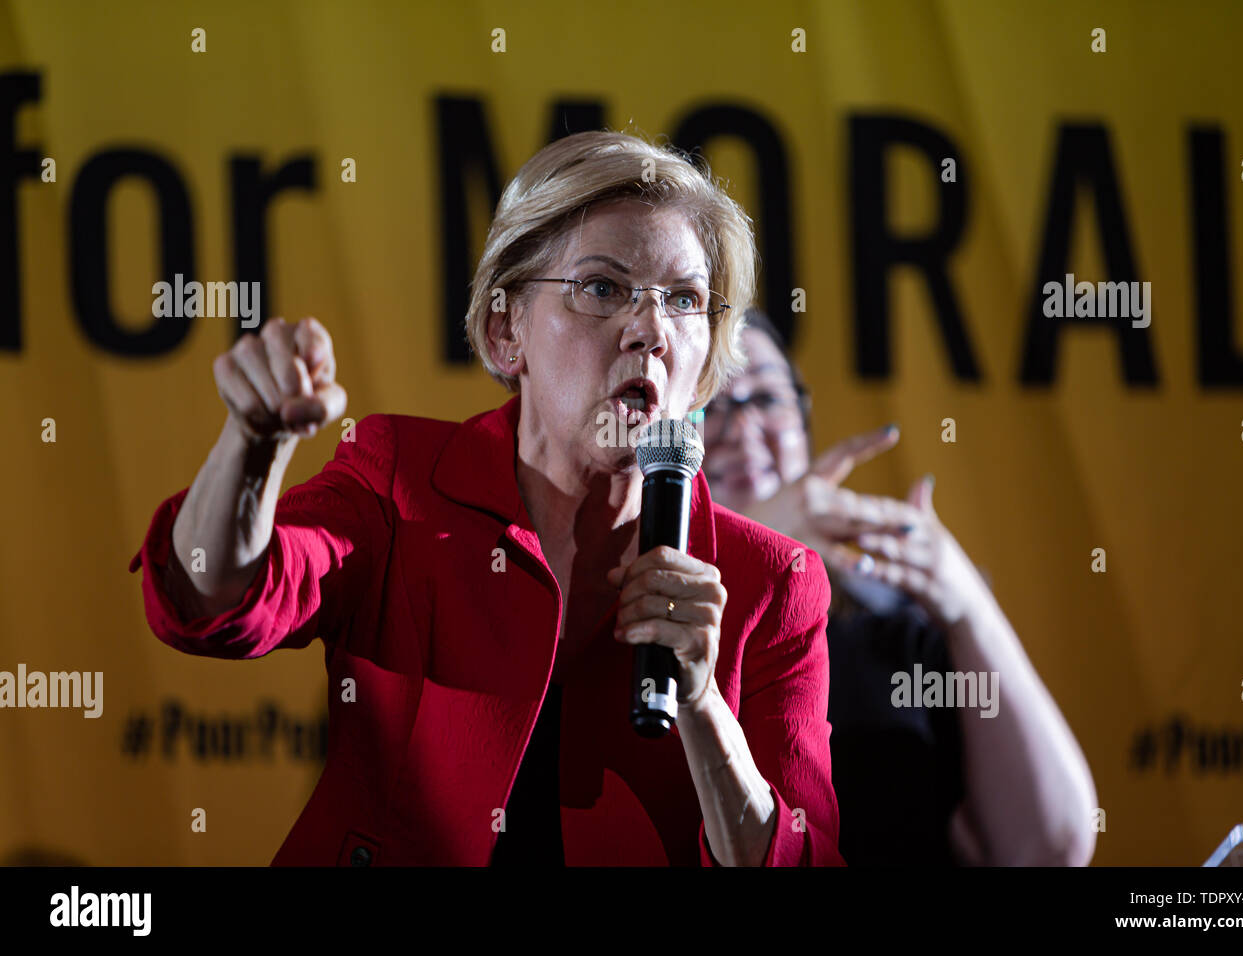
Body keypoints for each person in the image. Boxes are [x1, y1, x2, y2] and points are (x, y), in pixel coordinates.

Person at [129, 131, 844, 866]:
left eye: (686, 300)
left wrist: (703, 710)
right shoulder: (401, 481)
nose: (652, 330)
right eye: (602, 287)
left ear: (702, 368)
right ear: (507, 331)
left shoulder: (772, 582)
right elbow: (214, 600)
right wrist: (251, 449)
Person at [699, 308, 1098, 866]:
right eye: (710, 405)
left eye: (766, 399)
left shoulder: (894, 637)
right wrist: (760, 550)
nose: (741, 430)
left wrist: (967, 609)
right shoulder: (645, 633)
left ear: (806, 425)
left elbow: (1050, 848)